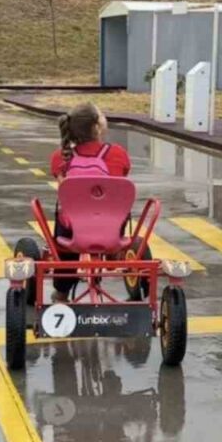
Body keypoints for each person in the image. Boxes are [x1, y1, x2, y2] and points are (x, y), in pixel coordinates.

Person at [48, 103, 132, 301]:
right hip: (112, 227)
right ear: (97, 127)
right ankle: (113, 255)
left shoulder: (60, 157)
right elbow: (122, 176)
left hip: (73, 232)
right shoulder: (118, 154)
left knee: (65, 215)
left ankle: (62, 290)